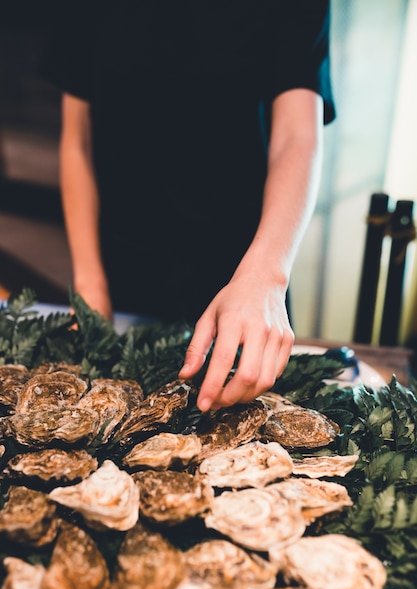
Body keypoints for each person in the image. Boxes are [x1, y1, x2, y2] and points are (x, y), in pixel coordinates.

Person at [39, 0, 335, 412]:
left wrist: (267, 274)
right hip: (122, 269)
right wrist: (90, 282)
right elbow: (78, 139)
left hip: (242, 272)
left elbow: (297, 136)